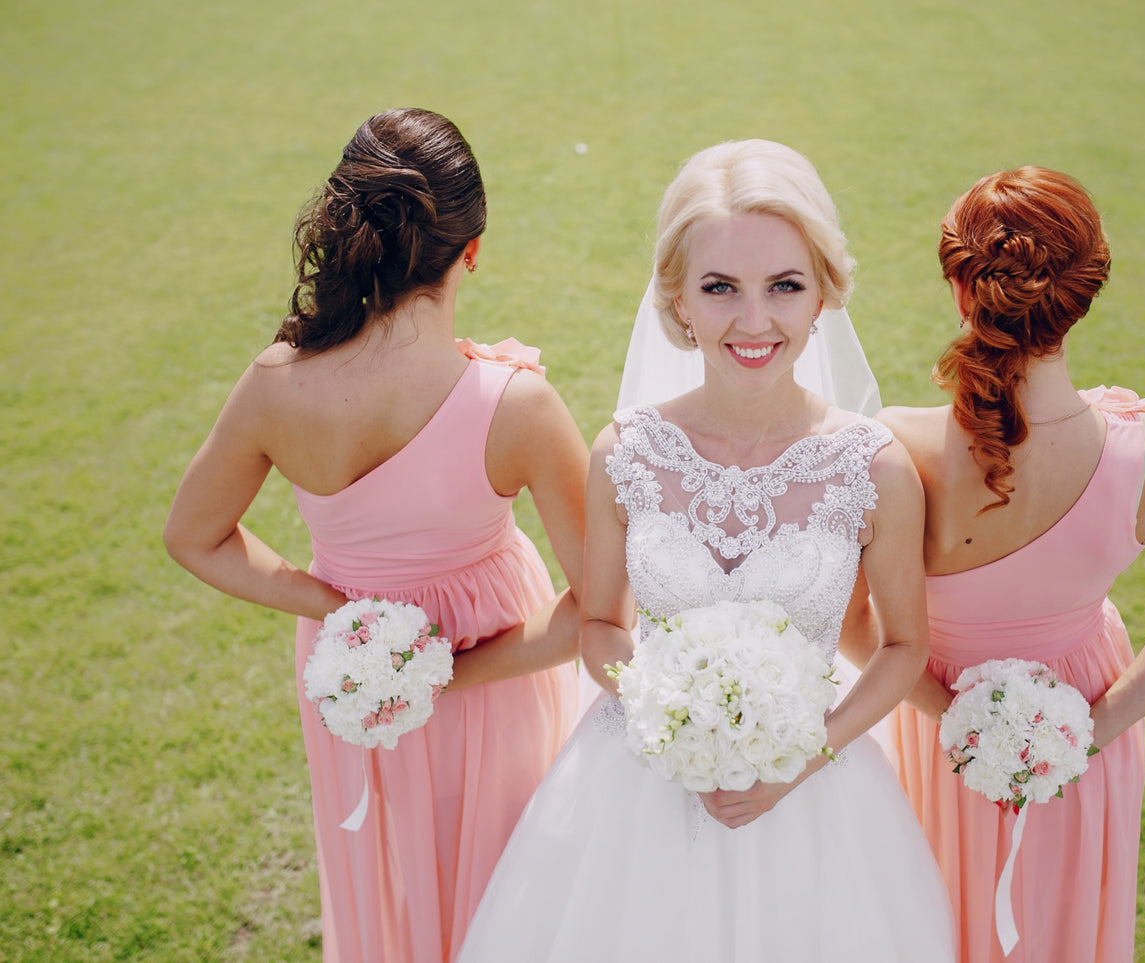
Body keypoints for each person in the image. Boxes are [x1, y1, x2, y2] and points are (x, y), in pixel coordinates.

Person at [456, 140, 955, 963]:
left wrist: (803, 755)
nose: (752, 321)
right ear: (677, 299)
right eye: (720, 287)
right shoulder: (628, 451)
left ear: (824, 293)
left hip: (814, 799)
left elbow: (903, 646)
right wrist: (668, 725)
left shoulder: (873, 468)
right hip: (637, 789)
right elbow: (602, 629)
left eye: (783, 286)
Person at [162, 108, 588, 962]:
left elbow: (194, 537)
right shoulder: (516, 405)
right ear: (470, 249)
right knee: (507, 874)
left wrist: (329, 602)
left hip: (345, 667)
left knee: (378, 862)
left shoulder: (276, 383)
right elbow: (596, 609)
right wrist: (453, 669)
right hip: (497, 664)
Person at [867, 166, 1145, 962]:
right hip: (1082, 741)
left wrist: (956, 717)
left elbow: (854, 625)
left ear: (962, 292)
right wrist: (1081, 731)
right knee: (1067, 927)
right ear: (1085, 291)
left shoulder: (891, 446)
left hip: (937, 733)